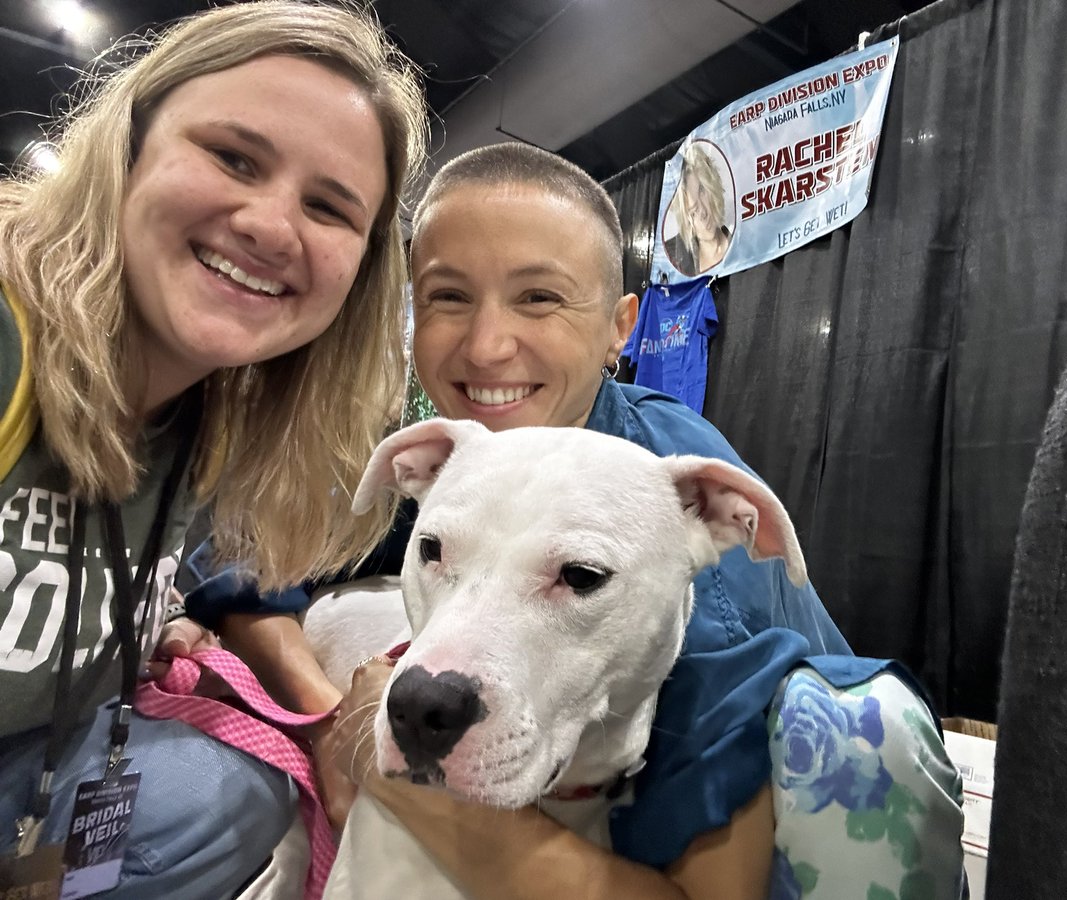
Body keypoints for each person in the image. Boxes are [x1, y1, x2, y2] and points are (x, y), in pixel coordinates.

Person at [187, 142, 855, 899]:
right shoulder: (471, 453)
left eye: (539, 298)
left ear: (619, 327)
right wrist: (327, 717)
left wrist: (394, 780)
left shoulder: (666, 536)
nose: (487, 345)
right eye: (447, 298)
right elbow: (244, 551)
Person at [0, 2, 427, 897]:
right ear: (128, 147)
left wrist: (143, 628)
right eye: (233, 157)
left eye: (327, 206)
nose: (273, 227)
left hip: (42, 766)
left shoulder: (217, 417)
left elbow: (247, 571)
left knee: (230, 789)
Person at [665, 141, 733, 277]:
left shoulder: (743, 243)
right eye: (692, 210)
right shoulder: (671, 259)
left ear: (711, 186)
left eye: (701, 191)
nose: (702, 213)